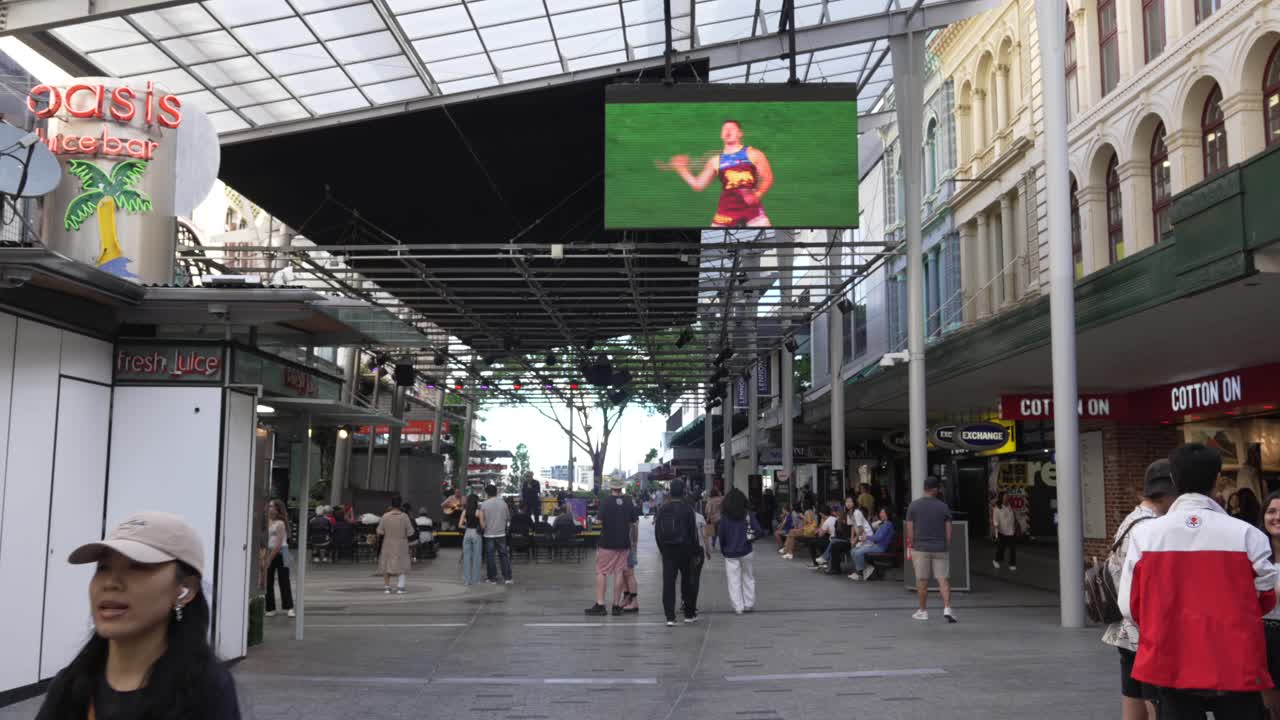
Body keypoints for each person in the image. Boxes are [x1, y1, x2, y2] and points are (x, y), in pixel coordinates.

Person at [1119, 443, 1277, 718]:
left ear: (1174, 480)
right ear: (1217, 479)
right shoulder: (1248, 535)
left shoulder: (1146, 536)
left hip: (1170, 660)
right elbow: (1266, 596)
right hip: (1235, 660)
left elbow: (1130, 607)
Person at [35, 511, 241, 720]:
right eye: (103, 568)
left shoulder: (206, 691)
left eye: (138, 567)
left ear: (185, 589)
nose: (110, 583)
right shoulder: (69, 687)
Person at [1103, 459, 1177, 720]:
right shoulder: (1151, 528)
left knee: (1133, 704)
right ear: (1170, 493)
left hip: (1126, 633)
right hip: (1146, 634)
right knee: (1156, 707)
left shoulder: (1132, 520)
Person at [660, 119, 774, 228]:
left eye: (732, 129)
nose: (728, 131)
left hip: (752, 212)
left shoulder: (753, 153)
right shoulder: (715, 160)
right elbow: (698, 185)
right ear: (721, 135)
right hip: (725, 214)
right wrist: (682, 169)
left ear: (740, 134)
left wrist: (757, 194)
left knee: (768, 244)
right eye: (725, 129)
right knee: (713, 245)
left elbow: (768, 178)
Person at [906, 476, 956, 623]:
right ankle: (947, 608)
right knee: (943, 579)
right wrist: (946, 543)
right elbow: (949, 530)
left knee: (922, 581)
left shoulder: (913, 506)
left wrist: (913, 543)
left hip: (920, 548)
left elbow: (910, 529)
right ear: (935, 490)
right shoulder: (943, 506)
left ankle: (923, 611)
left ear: (924, 488)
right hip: (940, 548)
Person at [586, 478, 636, 616]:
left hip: (607, 543)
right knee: (619, 572)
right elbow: (633, 523)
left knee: (601, 571)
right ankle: (616, 605)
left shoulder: (606, 502)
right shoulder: (628, 501)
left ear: (611, 488)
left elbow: (599, 521)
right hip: (624, 543)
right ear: (621, 488)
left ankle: (600, 604)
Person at [654, 479, 700, 627]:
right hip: (685, 550)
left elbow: (657, 533)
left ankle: (670, 617)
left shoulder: (662, 508)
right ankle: (689, 613)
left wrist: (663, 550)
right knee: (688, 582)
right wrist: (694, 552)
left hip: (668, 551)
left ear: (670, 492)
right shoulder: (688, 509)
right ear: (683, 491)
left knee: (668, 583)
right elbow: (693, 533)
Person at [719, 488, 762, 614]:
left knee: (733, 580)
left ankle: (738, 607)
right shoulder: (748, 514)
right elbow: (759, 531)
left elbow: (722, 535)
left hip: (730, 553)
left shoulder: (725, 517)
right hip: (747, 550)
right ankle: (749, 603)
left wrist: (724, 549)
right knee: (748, 577)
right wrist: (750, 540)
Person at [1261, 490, 1280, 720]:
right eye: (1271, 511)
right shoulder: (1257, 554)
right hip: (1264, 634)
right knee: (1269, 707)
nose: (1276, 517)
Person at [262, 499, 293, 618]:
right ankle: (270, 608)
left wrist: (270, 558)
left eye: (272, 506)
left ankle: (289, 607)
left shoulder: (280, 523)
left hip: (282, 552)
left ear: (277, 509)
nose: (269, 508)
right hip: (268, 550)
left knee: (284, 579)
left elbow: (279, 542)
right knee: (268, 580)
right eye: (269, 506)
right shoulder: (265, 522)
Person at [376, 496, 413, 594]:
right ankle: (400, 587)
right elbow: (410, 532)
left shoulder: (385, 516)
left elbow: (380, 531)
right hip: (401, 544)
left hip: (388, 543)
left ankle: (387, 587)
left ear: (391, 504)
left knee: (387, 565)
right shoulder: (404, 516)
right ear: (400, 504)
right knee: (401, 564)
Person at [850, 508, 896, 581]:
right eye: (880, 512)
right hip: (876, 545)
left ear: (887, 514)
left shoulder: (887, 525)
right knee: (853, 551)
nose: (881, 514)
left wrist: (867, 537)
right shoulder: (883, 524)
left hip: (880, 547)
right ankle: (867, 569)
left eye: (883, 512)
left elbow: (878, 538)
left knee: (858, 552)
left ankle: (860, 573)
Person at [479, 484, 513, 585]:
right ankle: (507, 578)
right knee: (504, 555)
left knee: (490, 557)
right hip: (501, 534)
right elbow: (508, 518)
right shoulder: (504, 504)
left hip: (489, 535)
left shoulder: (484, 504)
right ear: (496, 492)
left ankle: (492, 578)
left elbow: (482, 522)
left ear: (487, 493)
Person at [991, 491, 1020, 571]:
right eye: (1005, 496)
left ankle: (1012, 564)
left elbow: (1013, 517)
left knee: (1012, 548)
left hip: (1011, 531)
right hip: (1002, 532)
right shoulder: (997, 508)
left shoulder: (1010, 506)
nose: (1007, 498)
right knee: (1001, 549)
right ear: (1001, 498)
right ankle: (996, 560)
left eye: (1007, 496)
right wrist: (996, 534)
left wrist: (1015, 526)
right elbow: (995, 521)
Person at [460, 494, 483, 586]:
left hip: (467, 533)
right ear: (476, 502)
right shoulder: (479, 512)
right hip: (476, 534)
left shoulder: (465, 511)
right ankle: (476, 580)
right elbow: (483, 525)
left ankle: (466, 580)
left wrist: (466, 525)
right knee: (476, 557)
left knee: (466, 557)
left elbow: (459, 525)